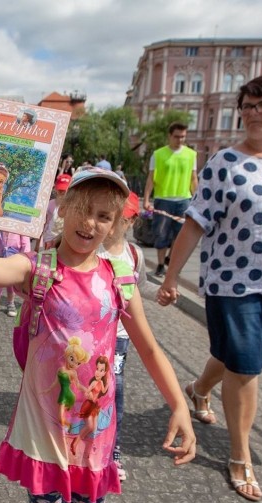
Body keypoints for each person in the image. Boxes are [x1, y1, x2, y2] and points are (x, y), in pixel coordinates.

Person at [0, 159, 196, 503]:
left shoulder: (119, 279)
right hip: (43, 429)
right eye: (83, 210)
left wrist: (179, 404)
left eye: (103, 216)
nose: (90, 223)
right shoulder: (37, 268)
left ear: (115, 225)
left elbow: (148, 349)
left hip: (93, 431)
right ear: (64, 206)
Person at [158, 75, 262, 503]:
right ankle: (239, 455)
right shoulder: (224, 163)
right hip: (233, 282)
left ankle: (197, 390)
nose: (252, 113)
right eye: (247, 106)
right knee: (247, 366)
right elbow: (195, 222)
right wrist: (172, 276)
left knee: (243, 359)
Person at [97, 191, 154, 481]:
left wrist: (165, 294)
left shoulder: (133, 254)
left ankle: (113, 451)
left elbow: (140, 290)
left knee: (114, 388)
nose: (115, 222)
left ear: (130, 222)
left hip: (120, 335)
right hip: (90, 334)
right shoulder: (91, 246)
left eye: (123, 217)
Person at [142, 122, 197, 277]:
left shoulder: (191, 155)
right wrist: (147, 199)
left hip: (183, 199)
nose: (180, 140)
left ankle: (170, 259)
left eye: (183, 137)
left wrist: (197, 199)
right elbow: (151, 178)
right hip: (163, 198)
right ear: (170, 136)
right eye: (177, 137)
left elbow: (193, 179)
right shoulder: (158, 154)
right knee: (161, 233)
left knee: (180, 235)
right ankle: (160, 265)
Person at [0, 230, 31, 328]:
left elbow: (25, 240)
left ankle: (11, 303)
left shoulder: (19, 222)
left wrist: (25, 256)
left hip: (14, 256)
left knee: (11, 284)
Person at [38, 173, 72, 250]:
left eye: (64, 190)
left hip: (62, 241)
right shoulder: (50, 204)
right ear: (56, 189)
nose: (62, 193)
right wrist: (38, 243)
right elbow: (44, 223)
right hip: (48, 239)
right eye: (60, 190)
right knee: (47, 259)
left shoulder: (71, 207)